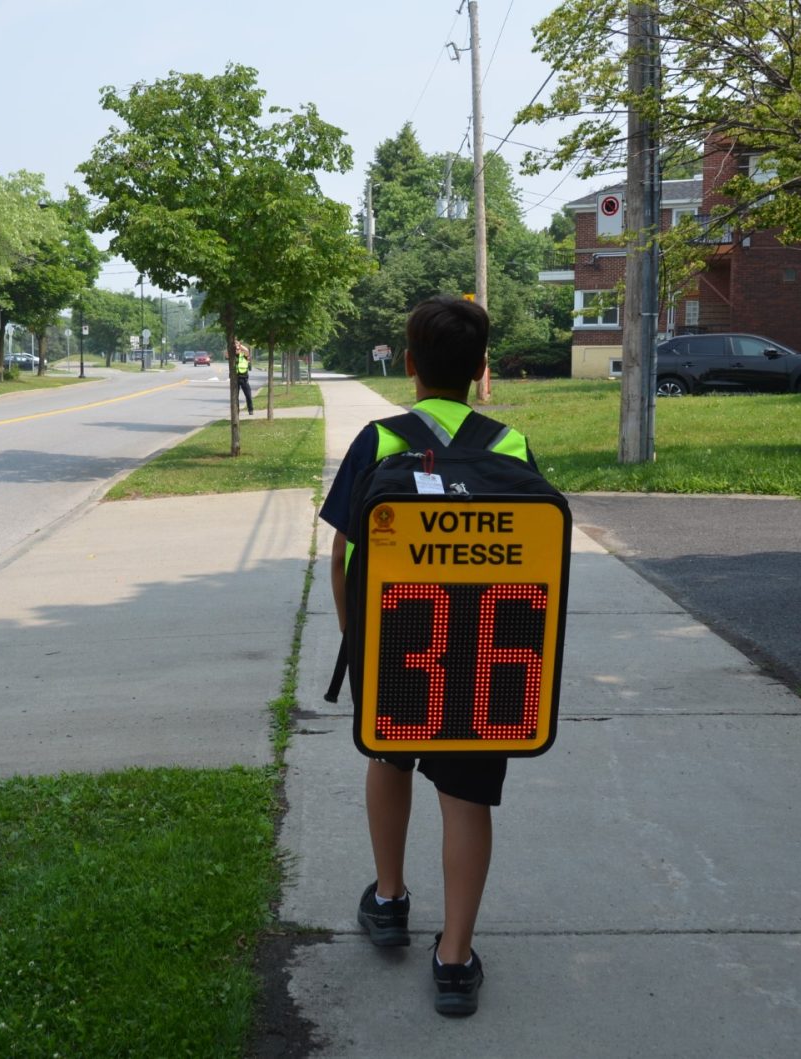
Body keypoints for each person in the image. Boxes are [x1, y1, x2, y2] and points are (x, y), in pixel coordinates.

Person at [318, 295, 536, 1018]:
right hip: (490, 658)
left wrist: (358, 642)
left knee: (388, 758)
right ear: (480, 371)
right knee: (468, 796)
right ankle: (454, 960)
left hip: (400, 648)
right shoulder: (508, 446)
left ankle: (387, 900)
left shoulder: (379, 442)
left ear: (409, 365)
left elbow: (342, 553)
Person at [234, 341, 255, 415]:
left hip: (244, 378)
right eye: (236, 349)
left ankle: (250, 409)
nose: (237, 350)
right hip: (235, 379)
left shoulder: (244, 355)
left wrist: (239, 345)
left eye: (238, 349)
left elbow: (246, 350)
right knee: (235, 397)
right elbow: (226, 355)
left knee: (248, 395)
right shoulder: (232, 356)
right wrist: (232, 346)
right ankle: (236, 411)